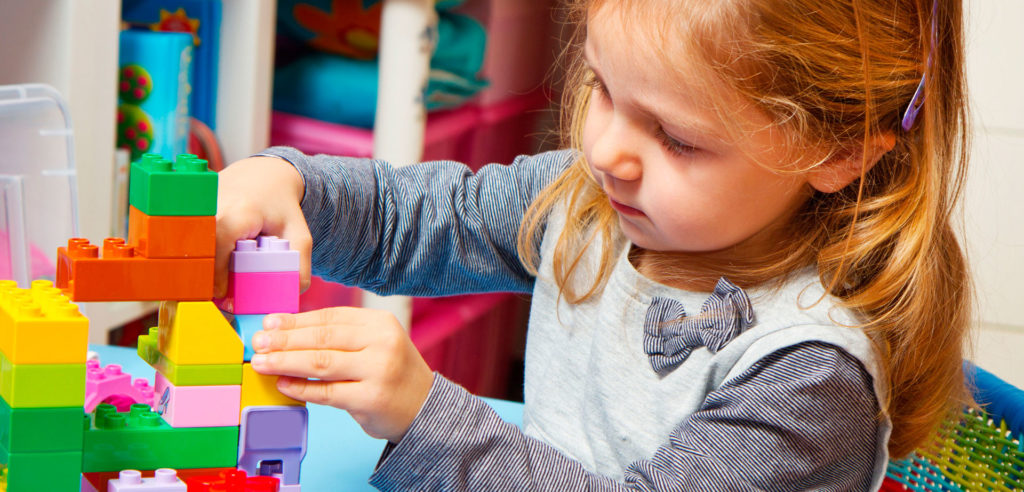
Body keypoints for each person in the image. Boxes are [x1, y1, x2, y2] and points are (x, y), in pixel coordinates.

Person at [214, 0, 972, 489]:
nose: (607, 151)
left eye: (677, 139)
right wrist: (285, 184)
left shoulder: (807, 376)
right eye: (604, 89)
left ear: (839, 154)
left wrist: (426, 417)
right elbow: (418, 217)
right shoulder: (590, 204)